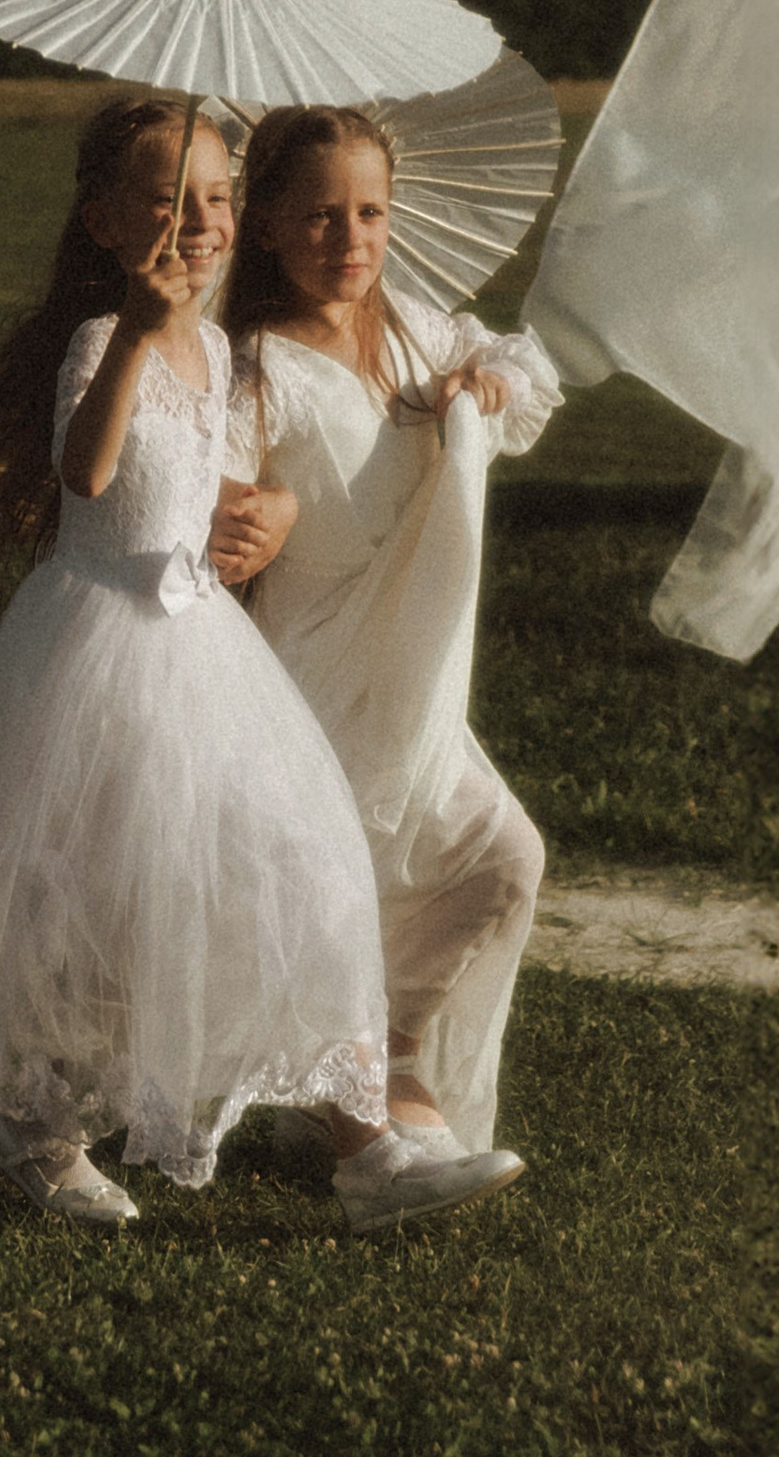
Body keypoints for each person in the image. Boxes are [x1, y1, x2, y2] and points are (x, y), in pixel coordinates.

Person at [0, 93, 521, 1234]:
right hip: (100, 648)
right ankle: (38, 1125)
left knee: (300, 868)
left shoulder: (218, 342)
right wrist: (133, 330)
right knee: (93, 898)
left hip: (202, 648)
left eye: (219, 200)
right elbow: (84, 476)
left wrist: (260, 508)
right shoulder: (108, 337)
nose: (200, 222)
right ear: (101, 220)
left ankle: (365, 1145)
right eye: (170, 200)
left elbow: (214, 484)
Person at [223, 105, 559, 1170]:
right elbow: (208, 478)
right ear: (263, 224)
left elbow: (521, 359)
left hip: (415, 673)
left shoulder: (417, 329)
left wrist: (488, 383)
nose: (349, 237)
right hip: (313, 672)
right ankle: (345, 1096)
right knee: (327, 887)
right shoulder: (252, 363)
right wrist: (246, 506)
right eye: (319, 215)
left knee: (500, 858)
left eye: (369, 211)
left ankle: (396, 1046)